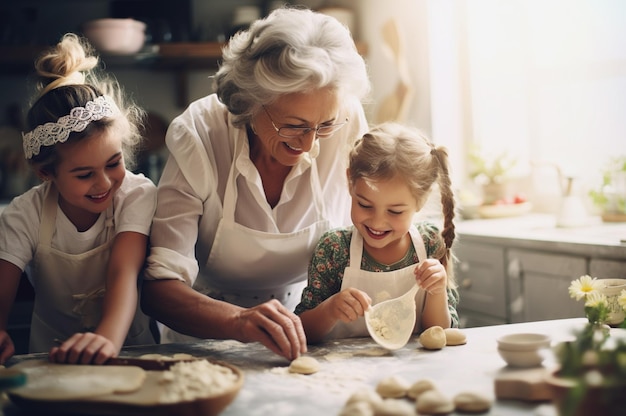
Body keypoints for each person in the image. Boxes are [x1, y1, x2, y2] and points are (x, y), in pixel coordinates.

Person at [141, 7, 370, 360]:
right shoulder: (200, 134)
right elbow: (159, 290)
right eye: (293, 125)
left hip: (312, 331)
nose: (310, 144)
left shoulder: (347, 121)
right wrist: (241, 321)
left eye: (324, 125)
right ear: (249, 103)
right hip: (206, 340)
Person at [0, 33, 156, 365]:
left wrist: (105, 340)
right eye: (84, 174)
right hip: (48, 360)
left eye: (113, 163)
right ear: (46, 174)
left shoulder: (136, 194)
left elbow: (123, 273)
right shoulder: (24, 214)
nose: (104, 183)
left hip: (131, 352)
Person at [295, 122, 460, 342]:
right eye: (365, 205)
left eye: (395, 211)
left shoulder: (430, 243)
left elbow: (439, 332)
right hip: (345, 371)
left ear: (419, 201)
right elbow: (302, 330)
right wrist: (330, 309)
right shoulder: (334, 249)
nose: (377, 222)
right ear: (350, 183)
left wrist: (436, 291)